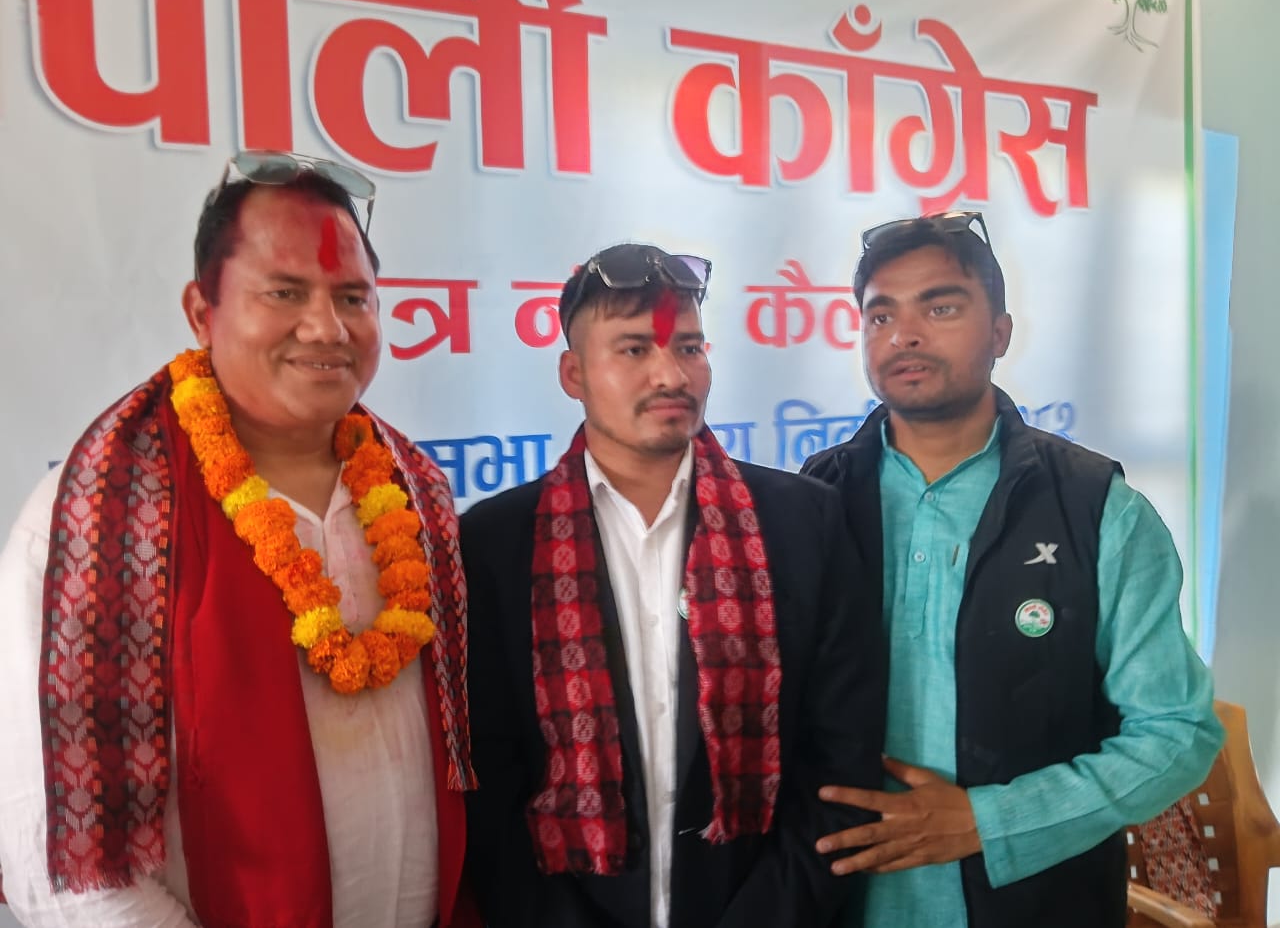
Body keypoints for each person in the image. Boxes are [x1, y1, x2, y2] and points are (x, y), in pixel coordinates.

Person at [0, 151, 477, 928]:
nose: (327, 327)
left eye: (352, 297)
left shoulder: (413, 489)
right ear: (202, 310)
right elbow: (67, 867)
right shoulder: (96, 517)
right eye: (285, 292)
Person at [801, 211, 1223, 928]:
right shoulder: (812, 502)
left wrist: (992, 821)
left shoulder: (1098, 509)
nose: (904, 334)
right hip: (835, 899)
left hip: (1038, 902)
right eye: (880, 315)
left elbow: (1177, 731)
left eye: (940, 307)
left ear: (1000, 332)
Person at [460, 242, 886, 928]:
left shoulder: (804, 521)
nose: (670, 374)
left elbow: (840, 762)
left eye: (689, 347)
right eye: (634, 349)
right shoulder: (495, 543)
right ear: (573, 373)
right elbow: (490, 777)